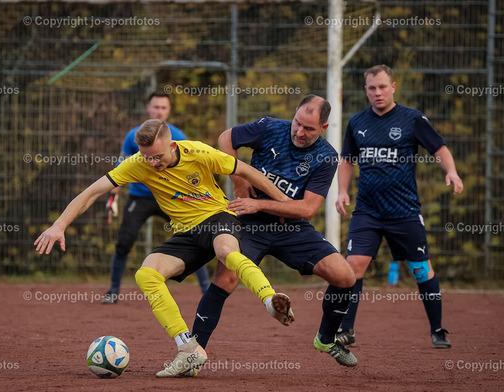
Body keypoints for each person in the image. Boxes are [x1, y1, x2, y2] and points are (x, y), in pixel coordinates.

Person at [35, 119, 294, 377]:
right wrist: (59, 225)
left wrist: (283, 201)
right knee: (146, 274)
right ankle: (188, 348)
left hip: (218, 218)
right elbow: (91, 192)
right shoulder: (137, 163)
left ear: (172, 145)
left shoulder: (198, 152)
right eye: (147, 157)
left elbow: (246, 170)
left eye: (157, 156)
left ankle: (270, 300)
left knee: (226, 252)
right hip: (187, 233)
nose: (152, 163)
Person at [191, 94, 358, 367]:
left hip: (291, 227)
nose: (299, 132)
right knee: (225, 279)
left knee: (345, 276)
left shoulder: (327, 157)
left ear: (324, 128)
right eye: (297, 123)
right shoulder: (269, 127)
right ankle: (192, 354)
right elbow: (225, 139)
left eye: (309, 129)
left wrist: (259, 203)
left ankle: (326, 339)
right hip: (249, 223)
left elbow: (307, 209)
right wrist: (238, 182)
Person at [336, 64, 463, 349]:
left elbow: (439, 149)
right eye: (372, 88)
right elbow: (347, 160)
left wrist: (451, 172)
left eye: (382, 87)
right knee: (353, 266)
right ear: (366, 90)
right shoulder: (357, 122)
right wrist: (342, 191)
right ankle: (347, 329)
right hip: (367, 211)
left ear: (393, 87)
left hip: (404, 211)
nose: (377, 92)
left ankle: (437, 330)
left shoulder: (412, 118)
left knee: (421, 270)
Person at [102, 92, 209, 304]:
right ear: (148, 109)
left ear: (168, 111)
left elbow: (189, 168)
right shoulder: (133, 136)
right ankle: (113, 291)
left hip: (171, 198)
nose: (159, 111)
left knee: (195, 238)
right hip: (139, 197)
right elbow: (120, 168)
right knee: (124, 242)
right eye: (156, 107)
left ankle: (207, 291)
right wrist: (112, 196)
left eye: (163, 107)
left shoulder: (178, 136)